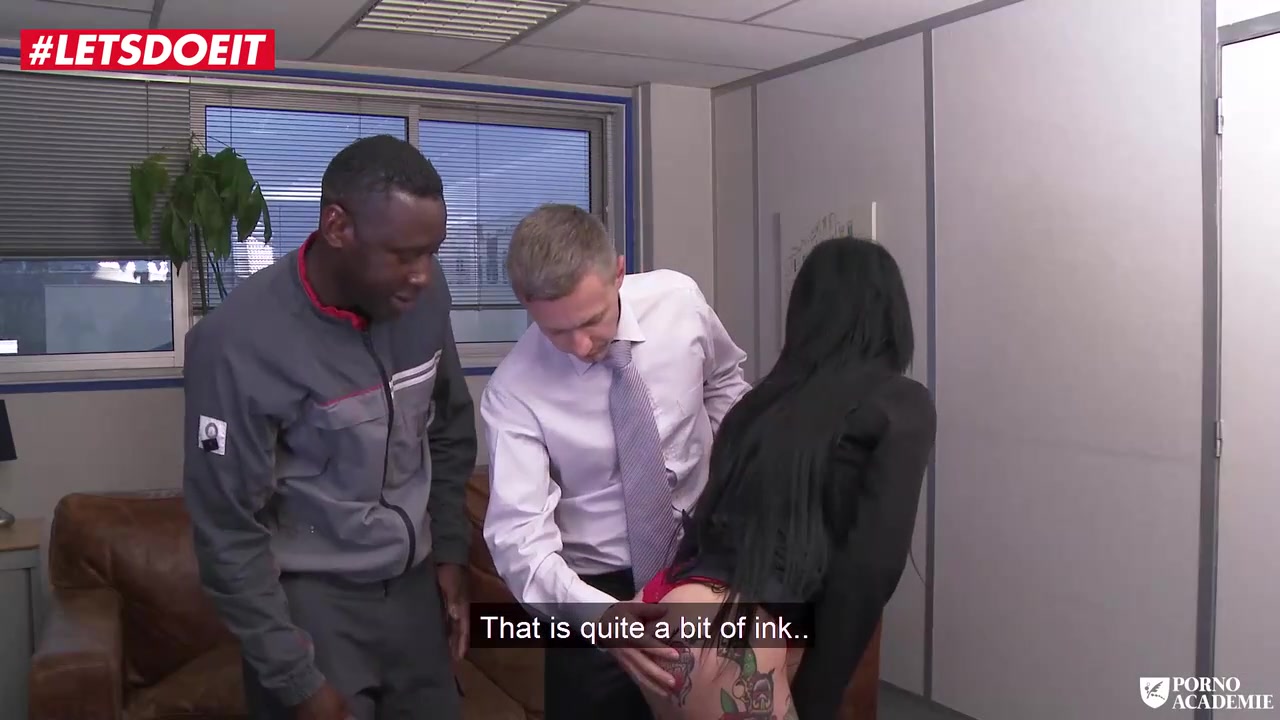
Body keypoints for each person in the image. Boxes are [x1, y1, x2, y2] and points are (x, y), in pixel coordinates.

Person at [182, 134, 477, 720]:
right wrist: (293, 676)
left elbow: (448, 425)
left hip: (413, 591)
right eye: (403, 254)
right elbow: (226, 527)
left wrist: (450, 550)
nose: (423, 275)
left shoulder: (421, 296)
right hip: (312, 603)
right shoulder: (237, 344)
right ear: (337, 226)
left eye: (432, 252)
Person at [635, 235, 937, 720]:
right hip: (735, 636)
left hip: (666, 614)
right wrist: (819, 698)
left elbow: (706, 524)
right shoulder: (901, 403)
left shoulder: (756, 404)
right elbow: (870, 568)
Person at [480, 203, 752, 719]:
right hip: (594, 594)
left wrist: (736, 483)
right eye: (556, 332)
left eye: (591, 321)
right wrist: (600, 617)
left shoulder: (679, 301)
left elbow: (724, 383)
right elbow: (520, 542)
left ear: (619, 273)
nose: (581, 345)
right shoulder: (513, 393)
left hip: (704, 563)